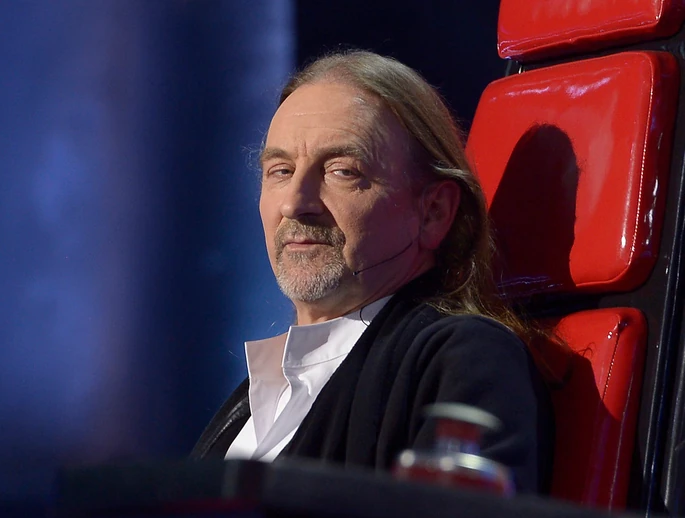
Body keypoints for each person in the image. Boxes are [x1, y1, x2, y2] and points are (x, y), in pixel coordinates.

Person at [191, 50, 554, 493]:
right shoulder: (258, 392)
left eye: (342, 171)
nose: (295, 202)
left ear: (433, 212)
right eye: (280, 170)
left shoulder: (464, 358)